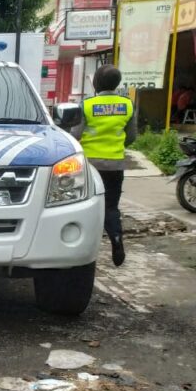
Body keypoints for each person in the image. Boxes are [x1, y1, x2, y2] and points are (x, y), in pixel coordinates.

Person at [72, 64, 136, 267]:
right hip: (115, 165)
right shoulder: (128, 104)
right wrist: (117, 147)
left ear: (97, 82)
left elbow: (75, 134)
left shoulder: (87, 105)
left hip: (90, 166)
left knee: (86, 206)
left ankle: (84, 248)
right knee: (111, 206)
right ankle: (117, 239)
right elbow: (132, 136)